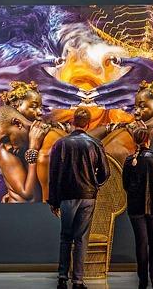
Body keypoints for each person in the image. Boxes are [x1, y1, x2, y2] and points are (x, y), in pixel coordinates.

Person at [48, 107, 110, 289]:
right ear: (89, 124)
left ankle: (62, 277)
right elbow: (105, 173)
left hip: (67, 197)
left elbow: (53, 174)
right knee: (81, 238)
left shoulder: (60, 144)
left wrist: (53, 201)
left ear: (72, 122)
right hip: (88, 196)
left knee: (65, 237)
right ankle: (78, 280)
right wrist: (94, 184)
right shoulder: (95, 144)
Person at [0, 105, 65, 203]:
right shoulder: (4, 153)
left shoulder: (51, 138)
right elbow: (30, 196)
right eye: (2, 143)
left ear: (18, 123)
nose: (7, 147)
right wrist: (33, 149)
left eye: (6, 139)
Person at [122, 128, 153, 288]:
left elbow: (125, 185)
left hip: (136, 208)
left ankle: (142, 279)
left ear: (135, 141)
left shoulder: (129, 161)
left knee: (141, 243)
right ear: (148, 140)